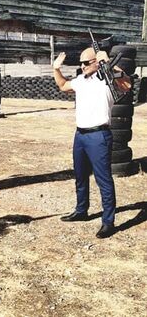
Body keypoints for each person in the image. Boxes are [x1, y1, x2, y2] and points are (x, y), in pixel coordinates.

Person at [53, 47, 131, 239]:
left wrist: (108, 63)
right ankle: (81, 211)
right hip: (80, 135)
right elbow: (63, 86)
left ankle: (108, 222)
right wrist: (56, 69)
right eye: (81, 62)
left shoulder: (108, 81)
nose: (82, 66)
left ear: (97, 61)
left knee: (103, 179)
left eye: (86, 62)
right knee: (80, 176)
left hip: (99, 135)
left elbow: (127, 85)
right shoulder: (81, 80)